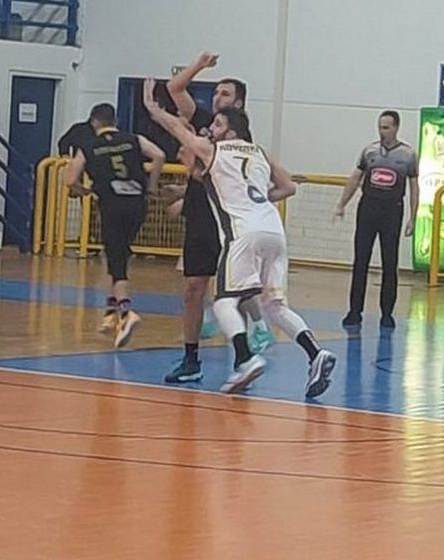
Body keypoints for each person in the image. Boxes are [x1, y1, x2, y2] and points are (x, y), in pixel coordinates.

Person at [143, 84, 336, 398]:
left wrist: (154, 109)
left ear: (231, 131)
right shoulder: (259, 152)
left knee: (223, 302)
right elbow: (288, 186)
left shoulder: (215, 150)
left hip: (243, 233)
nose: (212, 128)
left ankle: (246, 359)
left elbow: (179, 130)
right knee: (276, 305)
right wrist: (255, 199)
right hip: (273, 229)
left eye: (218, 124)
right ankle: (316, 353)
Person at [159, 52, 272, 384]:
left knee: (235, 291)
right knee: (193, 288)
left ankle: (247, 349)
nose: (216, 98)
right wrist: (199, 66)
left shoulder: (242, 141)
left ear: (239, 103)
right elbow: (174, 88)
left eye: (224, 94)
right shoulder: (207, 123)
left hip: (230, 222)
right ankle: (191, 358)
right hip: (200, 217)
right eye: (215, 92)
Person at [65, 102, 164, 347]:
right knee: (117, 253)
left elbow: (70, 179)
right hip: (137, 205)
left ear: (93, 122)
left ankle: (126, 311)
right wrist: (152, 185)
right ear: (115, 121)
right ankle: (110, 313)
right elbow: (159, 155)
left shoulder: (88, 146)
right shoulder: (134, 139)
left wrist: (83, 190)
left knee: (116, 256)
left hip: (111, 204)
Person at [334, 109, 418, 330]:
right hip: (368, 207)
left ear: (396, 128)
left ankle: (387, 314)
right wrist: (342, 203)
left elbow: (414, 186)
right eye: (380, 127)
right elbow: (355, 178)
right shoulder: (369, 152)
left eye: (386, 128)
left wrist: (413, 217)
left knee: (390, 263)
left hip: (392, 210)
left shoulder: (408, 155)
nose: (382, 132)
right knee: (360, 260)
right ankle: (355, 311)